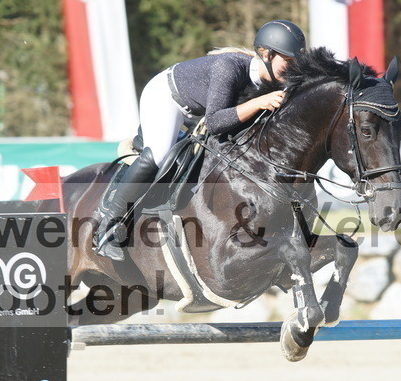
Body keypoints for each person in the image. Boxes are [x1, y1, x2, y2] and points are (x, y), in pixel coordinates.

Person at [94, 19, 307, 260]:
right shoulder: (229, 67)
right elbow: (215, 122)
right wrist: (258, 103)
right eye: (287, 62)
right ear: (266, 54)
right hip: (168, 98)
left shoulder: (271, 80)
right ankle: (108, 227)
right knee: (159, 155)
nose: (291, 69)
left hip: (199, 109)